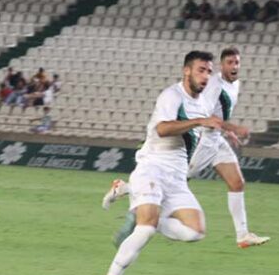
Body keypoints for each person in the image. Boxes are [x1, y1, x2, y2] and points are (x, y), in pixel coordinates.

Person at [96, 51, 249, 275]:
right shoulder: (172, 96)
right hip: (152, 168)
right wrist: (199, 122)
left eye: (209, 71)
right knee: (145, 228)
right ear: (186, 70)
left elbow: (209, 122)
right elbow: (164, 128)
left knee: (195, 231)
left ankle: (131, 196)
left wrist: (227, 131)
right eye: (201, 70)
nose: (206, 76)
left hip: (177, 177)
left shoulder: (200, 104)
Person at [102, 48, 269, 248]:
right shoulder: (213, 86)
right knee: (175, 181)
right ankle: (130, 196)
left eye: (237, 63)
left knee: (237, 182)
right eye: (230, 63)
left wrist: (226, 130)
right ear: (221, 66)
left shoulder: (235, 84)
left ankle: (242, 235)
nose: (234, 67)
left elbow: (218, 115)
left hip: (217, 139)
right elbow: (202, 114)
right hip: (202, 140)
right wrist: (229, 127)